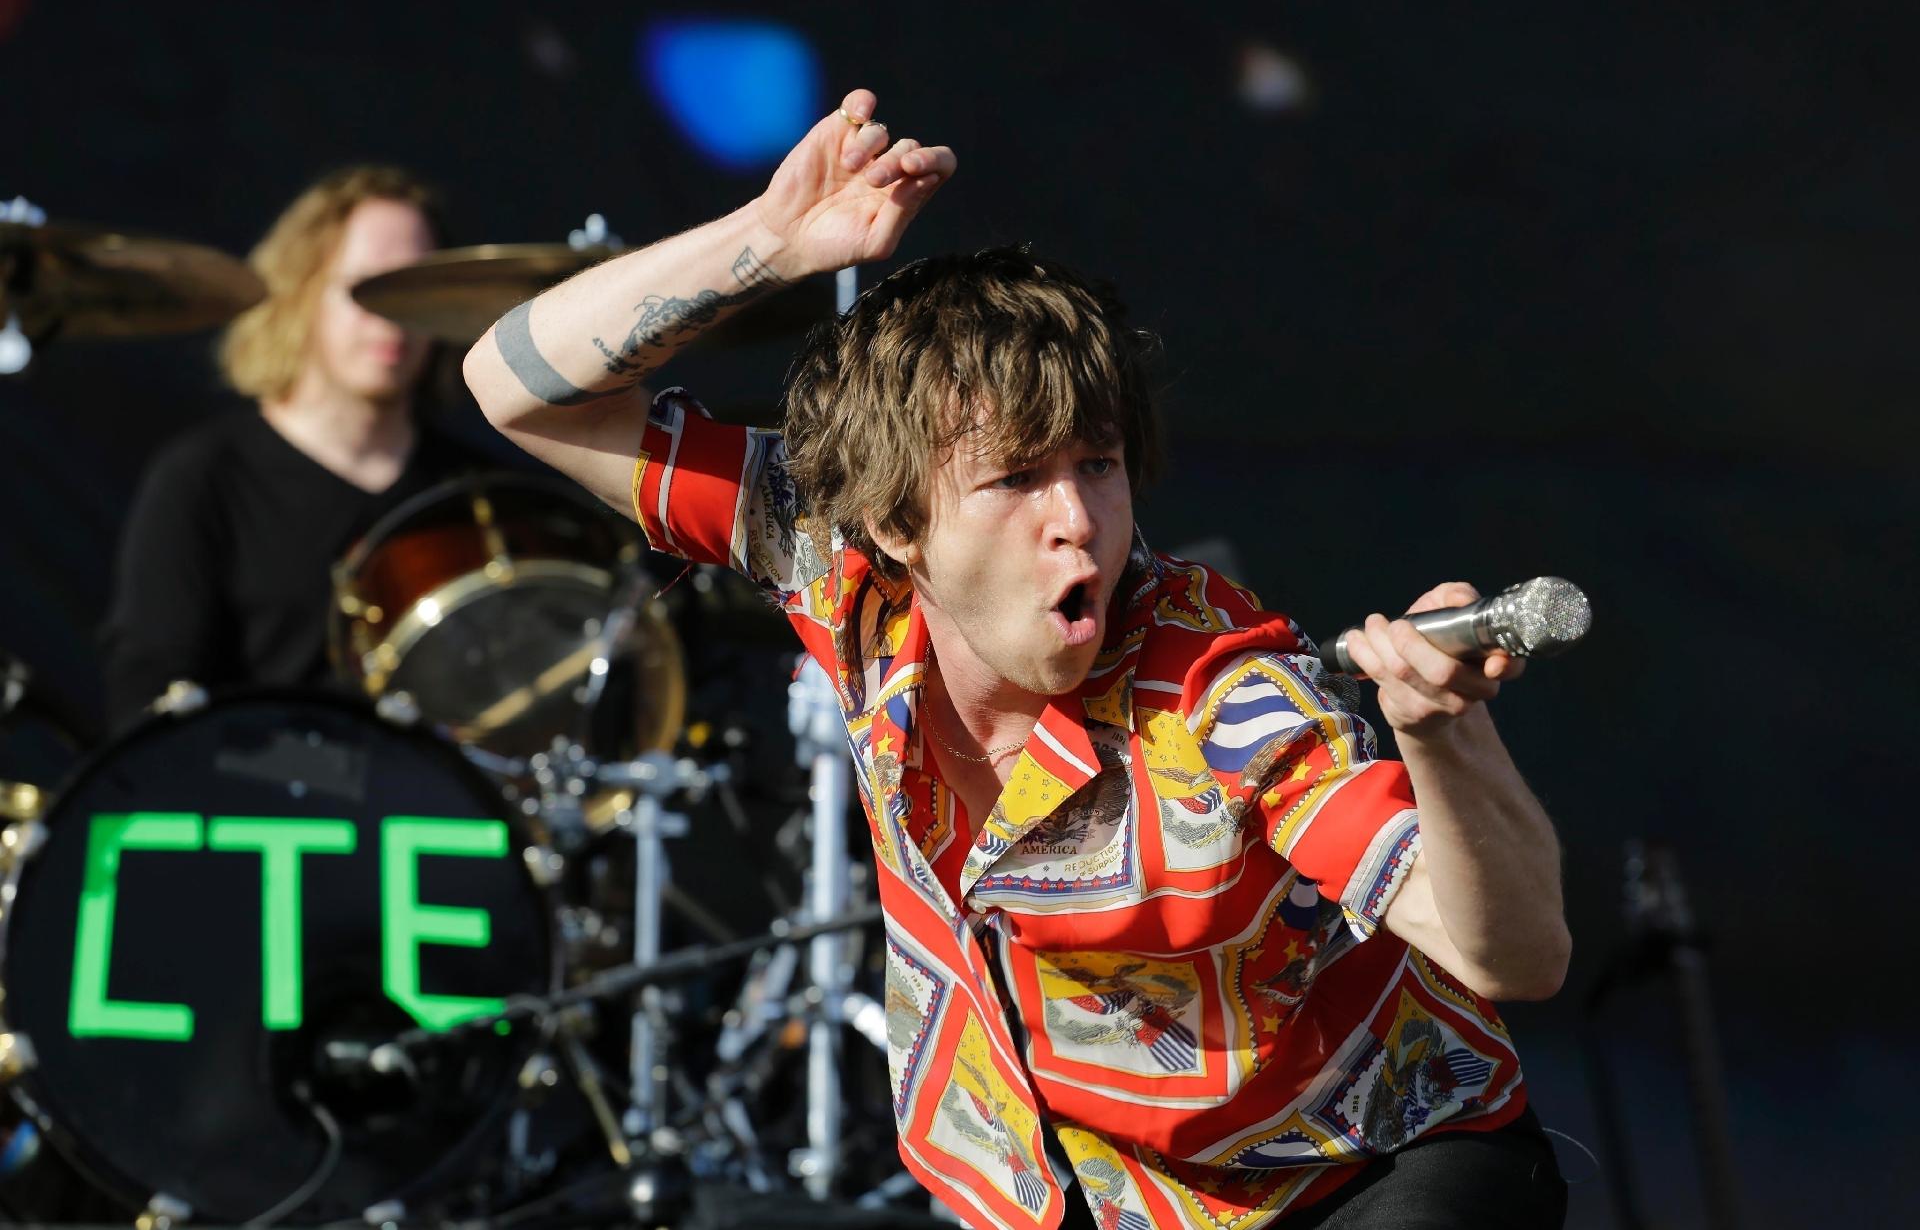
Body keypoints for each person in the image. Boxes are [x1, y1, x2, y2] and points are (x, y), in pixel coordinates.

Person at [463, 89, 1572, 1228]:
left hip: (1366, 1177)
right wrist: (768, 241)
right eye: (1015, 478)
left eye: (1097, 464)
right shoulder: (840, 570)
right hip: (1084, 1196)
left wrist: (1444, 736)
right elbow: (510, 385)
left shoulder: (1225, 696)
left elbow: (1517, 958)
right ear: (895, 525)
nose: (1077, 520)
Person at [99, 165, 478, 728]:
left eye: (414, 289)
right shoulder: (205, 478)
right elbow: (148, 697)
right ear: (301, 294)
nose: (392, 317)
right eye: (366, 285)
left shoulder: (477, 497)